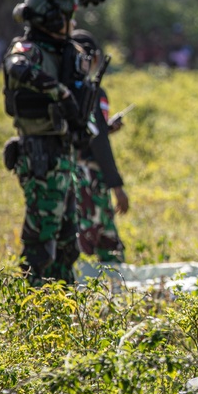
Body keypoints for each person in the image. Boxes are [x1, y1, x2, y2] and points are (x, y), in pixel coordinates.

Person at [2, 0, 95, 285]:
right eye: (69, 18)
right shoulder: (29, 49)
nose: (73, 24)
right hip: (40, 153)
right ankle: (33, 301)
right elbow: (16, 66)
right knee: (43, 234)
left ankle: (61, 304)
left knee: (68, 237)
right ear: (54, 19)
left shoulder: (63, 51)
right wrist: (61, 93)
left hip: (63, 153)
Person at [70, 29, 130, 263]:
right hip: (89, 178)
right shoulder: (93, 93)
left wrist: (105, 127)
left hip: (67, 171)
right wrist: (116, 186)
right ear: (93, 58)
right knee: (101, 242)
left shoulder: (64, 90)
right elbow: (98, 142)